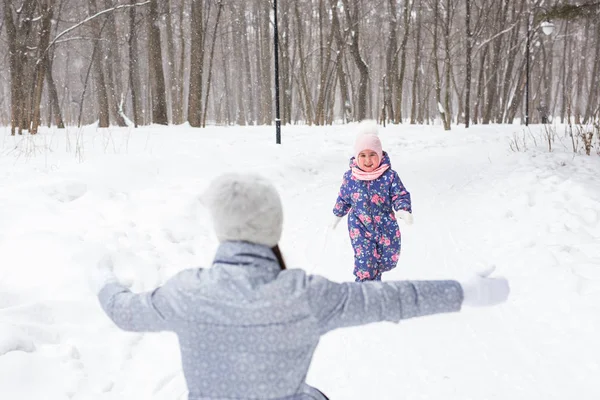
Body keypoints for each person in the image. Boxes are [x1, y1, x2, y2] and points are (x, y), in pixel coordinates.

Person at [90, 173, 509, 400]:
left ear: (221, 228)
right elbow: (390, 299)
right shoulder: (305, 296)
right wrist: (464, 291)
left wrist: (102, 279)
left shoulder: (186, 293)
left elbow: (123, 312)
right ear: (274, 228)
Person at [332, 120, 412, 282]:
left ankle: (374, 286)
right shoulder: (351, 177)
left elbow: (399, 194)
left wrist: (403, 209)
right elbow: (343, 197)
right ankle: (362, 293)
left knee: (387, 260)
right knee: (365, 264)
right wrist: (337, 215)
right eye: (362, 155)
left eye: (372, 155)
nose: (367, 160)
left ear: (380, 155)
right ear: (356, 156)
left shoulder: (389, 176)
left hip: (386, 226)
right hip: (360, 227)